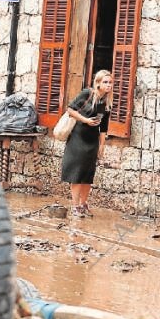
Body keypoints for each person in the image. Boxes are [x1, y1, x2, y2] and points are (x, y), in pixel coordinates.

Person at [60, 70, 113, 218]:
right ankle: (75, 206)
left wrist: (102, 146)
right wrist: (85, 120)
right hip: (78, 139)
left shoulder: (105, 102)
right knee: (77, 173)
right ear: (98, 83)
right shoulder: (87, 94)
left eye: (110, 82)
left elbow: (104, 127)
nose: (108, 85)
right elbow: (70, 109)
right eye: (105, 82)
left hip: (92, 141)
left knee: (88, 175)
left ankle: (83, 204)